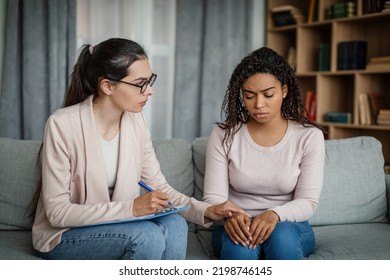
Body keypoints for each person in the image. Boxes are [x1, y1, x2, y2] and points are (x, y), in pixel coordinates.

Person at [30, 38, 246, 260]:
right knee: (147, 236)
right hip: (64, 235)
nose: (149, 91)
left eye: (150, 80)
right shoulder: (62, 124)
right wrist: (132, 208)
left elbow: (160, 188)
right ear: (107, 86)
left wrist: (205, 210)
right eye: (141, 83)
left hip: (117, 225)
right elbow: (57, 213)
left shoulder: (136, 121)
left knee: (175, 224)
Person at [203, 47, 325, 260]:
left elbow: (308, 201)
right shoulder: (224, 135)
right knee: (240, 248)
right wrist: (230, 217)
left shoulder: (309, 137)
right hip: (237, 224)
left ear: (284, 91)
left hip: (289, 225)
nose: (258, 105)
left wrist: (274, 214)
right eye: (249, 96)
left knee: (282, 238)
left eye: (268, 95)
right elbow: (213, 197)